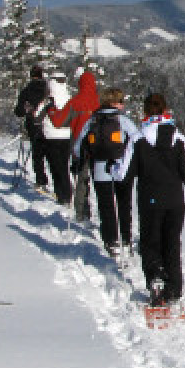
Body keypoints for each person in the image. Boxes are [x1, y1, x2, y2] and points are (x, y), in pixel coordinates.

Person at [112, 93, 185, 307]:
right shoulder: (178, 137)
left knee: (151, 242)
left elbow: (123, 174)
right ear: (166, 110)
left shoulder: (139, 138)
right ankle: (174, 288)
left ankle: (156, 281)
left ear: (145, 112)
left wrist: (113, 168)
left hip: (150, 199)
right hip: (176, 200)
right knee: (172, 243)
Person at [75, 86, 139, 257]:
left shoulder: (92, 120)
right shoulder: (123, 121)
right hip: (122, 168)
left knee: (106, 205)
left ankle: (111, 240)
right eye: (121, 101)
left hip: (100, 168)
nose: (123, 105)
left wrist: (81, 161)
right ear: (115, 103)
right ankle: (125, 238)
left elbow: (78, 146)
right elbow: (138, 141)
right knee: (124, 204)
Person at [47, 69, 99, 221]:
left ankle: (82, 213)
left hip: (79, 147)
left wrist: (51, 109)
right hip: (99, 149)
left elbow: (58, 122)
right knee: (101, 185)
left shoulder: (75, 102)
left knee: (81, 182)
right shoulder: (99, 102)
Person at [38, 71, 74, 205]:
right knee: (64, 166)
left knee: (55, 166)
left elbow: (37, 117)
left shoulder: (49, 100)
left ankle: (61, 194)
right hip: (67, 136)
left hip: (51, 136)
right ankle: (67, 194)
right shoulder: (69, 97)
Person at [12, 65, 50, 192]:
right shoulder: (49, 89)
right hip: (51, 125)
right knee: (53, 155)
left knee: (37, 153)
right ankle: (60, 187)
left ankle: (41, 180)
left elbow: (19, 111)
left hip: (33, 124)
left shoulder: (27, 90)